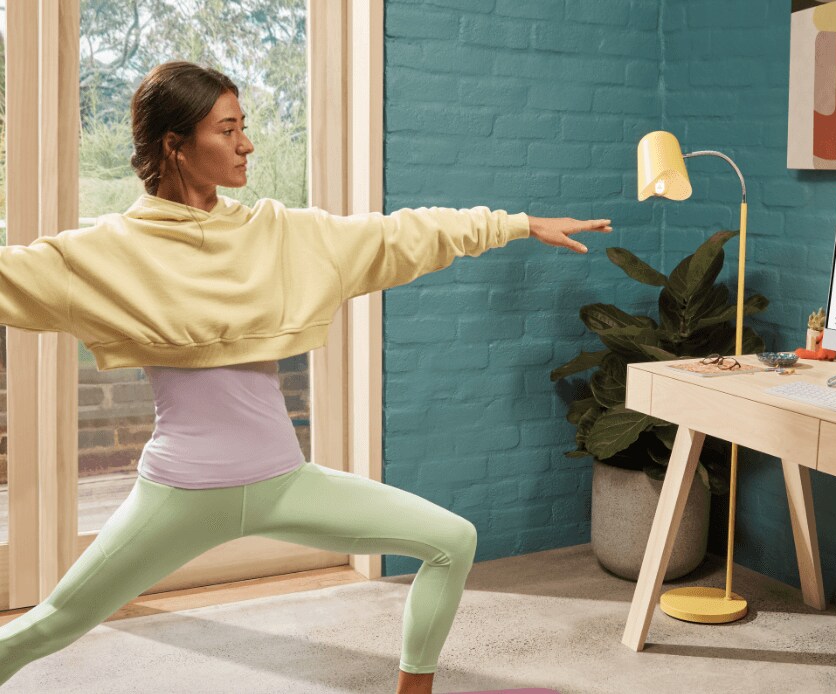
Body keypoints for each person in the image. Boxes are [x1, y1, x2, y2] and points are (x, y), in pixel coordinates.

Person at [0, 61, 611, 694]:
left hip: (283, 483)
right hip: (181, 494)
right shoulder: (113, 250)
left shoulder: (276, 233)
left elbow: (398, 234)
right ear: (174, 145)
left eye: (245, 126)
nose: (247, 143)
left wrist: (514, 224)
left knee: (452, 540)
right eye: (227, 129)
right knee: (51, 624)